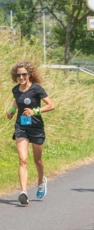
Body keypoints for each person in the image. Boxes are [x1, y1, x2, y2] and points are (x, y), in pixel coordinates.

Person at [6, 61, 55, 205]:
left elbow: (51, 105)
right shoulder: (15, 89)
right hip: (21, 126)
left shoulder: (37, 89)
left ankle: (41, 181)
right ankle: (24, 193)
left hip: (36, 127)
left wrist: (35, 111)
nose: (21, 77)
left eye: (24, 74)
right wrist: (12, 111)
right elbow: (17, 101)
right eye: (18, 75)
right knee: (23, 159)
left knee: (37, 161)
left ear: (29, 74)